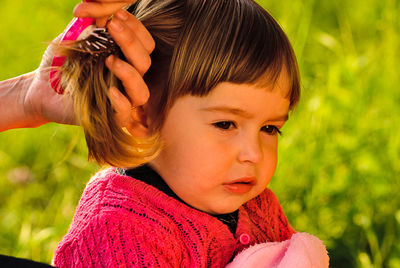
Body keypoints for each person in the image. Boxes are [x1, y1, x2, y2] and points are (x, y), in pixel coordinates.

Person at [2, 0, 329, 267]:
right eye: (226, 124)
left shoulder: (257, 207)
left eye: (269, 128)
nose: (253, 154)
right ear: (143, 113)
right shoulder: (119, 231)